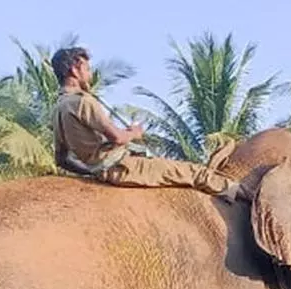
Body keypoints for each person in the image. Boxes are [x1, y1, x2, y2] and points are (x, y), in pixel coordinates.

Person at [50, 46, 238, 199]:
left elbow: (62, 160)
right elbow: (117, 137)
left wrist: (92, 170)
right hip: (123, 167)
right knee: (195, 173)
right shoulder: (83, 101)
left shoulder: (58, 108)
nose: (89, 74)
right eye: (87, 69)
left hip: (103, 170)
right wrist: (133, 133)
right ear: (74, 70)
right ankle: (246, 195)